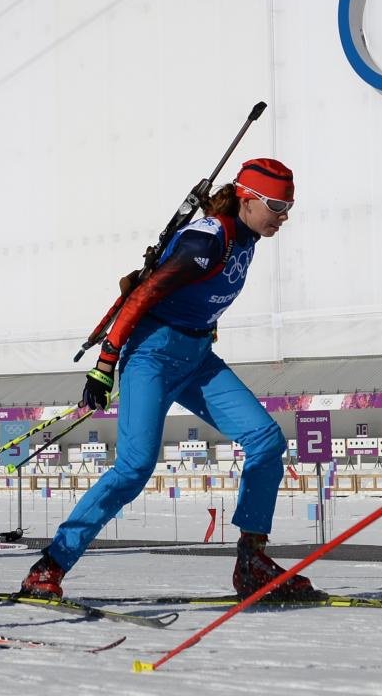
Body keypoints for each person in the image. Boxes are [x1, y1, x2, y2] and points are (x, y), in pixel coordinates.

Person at [21, 158, 324, 602]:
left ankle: (251, 562)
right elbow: (143, 294)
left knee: (265, 440)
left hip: (196, 358)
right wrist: (105, 363)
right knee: (134, 468)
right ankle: (49, 566)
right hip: (153, 355)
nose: (284, 216)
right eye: (277, 205)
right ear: (247, 198)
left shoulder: (247, 236)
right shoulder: (207, 239)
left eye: (289, 206)